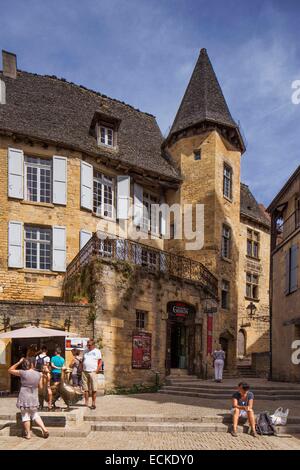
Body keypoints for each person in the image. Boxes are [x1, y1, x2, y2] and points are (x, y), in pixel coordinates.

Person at [8, 357, 49, 439]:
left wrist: (19, 362)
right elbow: (40, 387)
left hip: (24, 395)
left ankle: (28, 434)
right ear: (33, 364)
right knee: (35, 414)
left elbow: (10, 370)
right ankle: (44, 429)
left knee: (25, 415)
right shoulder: (39, 374)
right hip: (34, 395)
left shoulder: (23, 373)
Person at [82, 339, 102, 410]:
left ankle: (93, 403)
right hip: (84, 372)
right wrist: (81, 368)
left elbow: (100, 362)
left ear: (93, 345)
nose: (88, 346)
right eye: (87, 345)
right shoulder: (85, 351)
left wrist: (97, 370)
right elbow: (82, 360)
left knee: (94, 388)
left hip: (93, 372)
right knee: (85, 389)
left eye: (89, 345)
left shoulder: (97, 351)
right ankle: (86, 402)